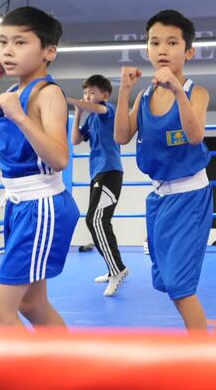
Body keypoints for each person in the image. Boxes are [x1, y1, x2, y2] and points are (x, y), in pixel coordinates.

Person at [0, 6, 78, 328]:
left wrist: (20, 117)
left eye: (20, 42)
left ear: (48, 51)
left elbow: (60, 159)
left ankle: (37, 366)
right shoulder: (13, 92)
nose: (8, 50)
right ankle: (64, 361)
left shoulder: (48, 94)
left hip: (42, 206)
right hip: (20, 206)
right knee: (33, 304)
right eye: (2, 42)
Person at [114, 9, 212, 331]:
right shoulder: (144, 96)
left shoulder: (197, 92)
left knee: (181, 287)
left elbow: (195, 136)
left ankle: (204, 356)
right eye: (155, 43)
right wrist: (124, 89)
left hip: (190, 195)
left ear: (188, 52)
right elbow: (121, 136)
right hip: (159, 198)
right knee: (169, 284)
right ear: (147, 49)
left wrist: (178, 92)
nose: (162, 50)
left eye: (172, 43)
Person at [69, 74, 127, 296]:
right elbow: (75, 140)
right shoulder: (90, 118)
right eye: (85, 93)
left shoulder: (107, 109)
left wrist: (70, 100)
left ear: (105, 94)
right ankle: (114, 268)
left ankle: (117, 269)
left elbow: (98, 108)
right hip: (98, 174)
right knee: (96, 221)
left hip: (110, 171)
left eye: (92, 92)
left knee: (97, 220)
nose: (87, 96)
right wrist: (77, 112)